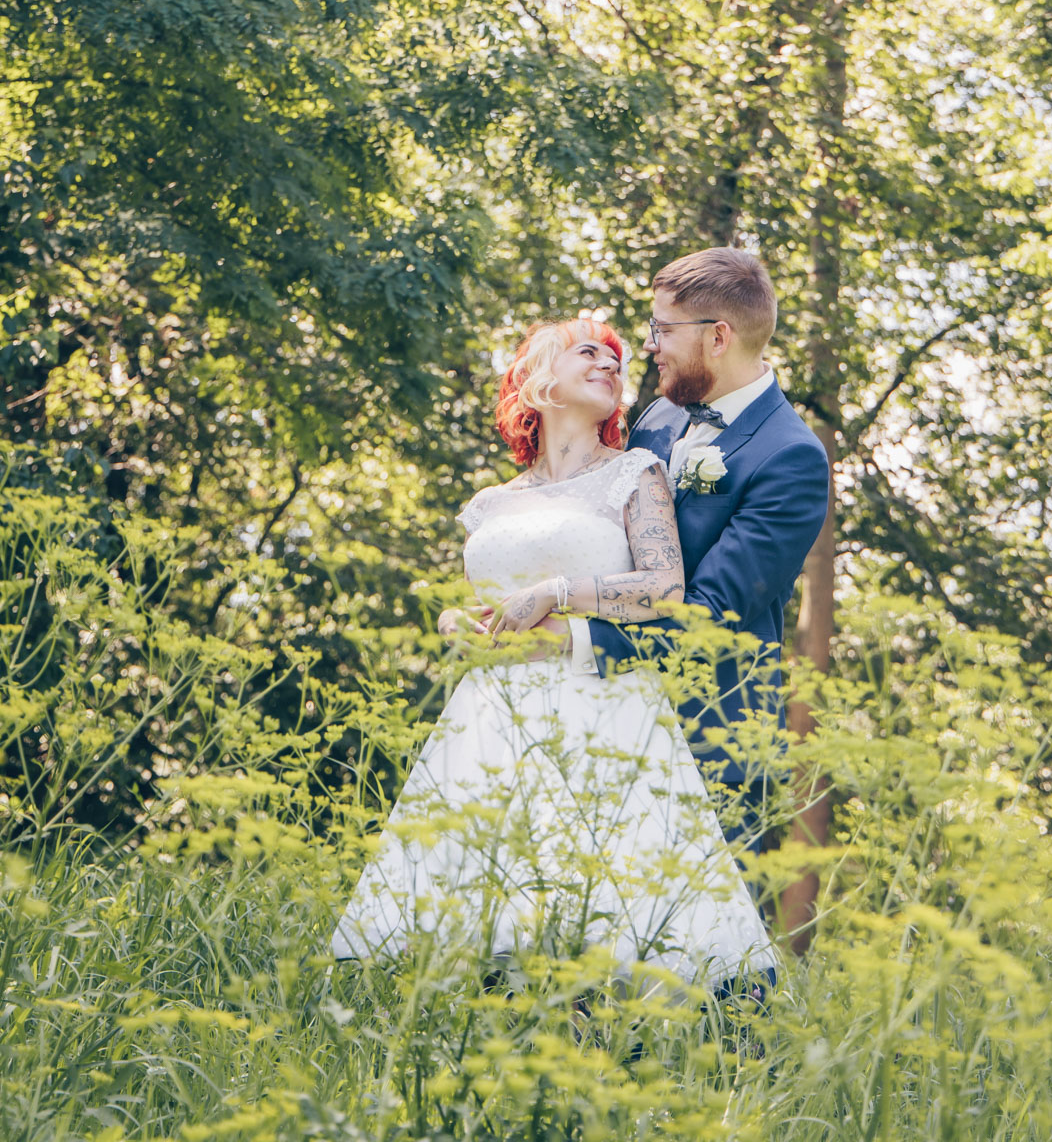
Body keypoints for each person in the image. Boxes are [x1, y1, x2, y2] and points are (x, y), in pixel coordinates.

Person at [330, 316, 775, 986]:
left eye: (618, 358)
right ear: (539, 378)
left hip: (599, 704)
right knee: (482, 913)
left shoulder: (636, 471)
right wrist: (458, 620)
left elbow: (663, 587)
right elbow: (490, 606)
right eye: (588, 351)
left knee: (605, 905)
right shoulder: (491, 503)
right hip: (491, 715)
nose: (610, 363)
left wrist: (558, 591)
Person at [565, 250, 830, 853]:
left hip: (713, 746)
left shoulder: (791, 457)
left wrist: (571, 640)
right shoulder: (656, 417)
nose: (650, 345)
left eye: (662, 329)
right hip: (603, 722)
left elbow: (710, 615)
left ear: (718, 337)